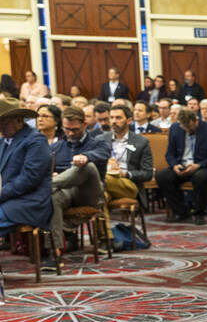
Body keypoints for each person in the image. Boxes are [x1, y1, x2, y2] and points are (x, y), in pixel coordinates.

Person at [51, 106, 108, 248]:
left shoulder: (97, 142)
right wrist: (51, 173)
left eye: (75, 129)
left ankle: (48, 184)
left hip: (89, 193)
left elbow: (103, 154)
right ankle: (56, 249)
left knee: (86, 166)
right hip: (65, 191)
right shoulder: (56, 147)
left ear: (84, 125)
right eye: (66, 129)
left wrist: (86, 156)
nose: (70, 133)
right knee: (53, 196)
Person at [0, 96, 53, 239]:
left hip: (30, 201)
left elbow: (29, 179)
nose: (0, 127)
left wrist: (1, 194)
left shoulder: (35, 140)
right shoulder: (3, 141)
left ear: (18, 120)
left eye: (4, 123)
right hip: (9, 197)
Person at [155, 107, 207, 223]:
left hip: (203, 167)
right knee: (162, 177)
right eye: (184, 128)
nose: (187, 130)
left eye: (190, 127)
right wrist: (174, 165)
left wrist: (198, 165)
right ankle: (181, 212)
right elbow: (169, 154)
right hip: (182, 165)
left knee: (200, 177)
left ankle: (199, 213)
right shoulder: (175, 128)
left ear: (196, 120)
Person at [100, 104, 154, 208]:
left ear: (129, 121)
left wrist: (126, 174)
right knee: (102, 197)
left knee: (102, 179)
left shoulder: (141, 142)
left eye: (118, 118)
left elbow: (148, 173)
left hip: (128, 184)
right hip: (107, 185)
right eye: (111, 118)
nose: (114, 121)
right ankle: (104, 225)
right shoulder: (100, 139)